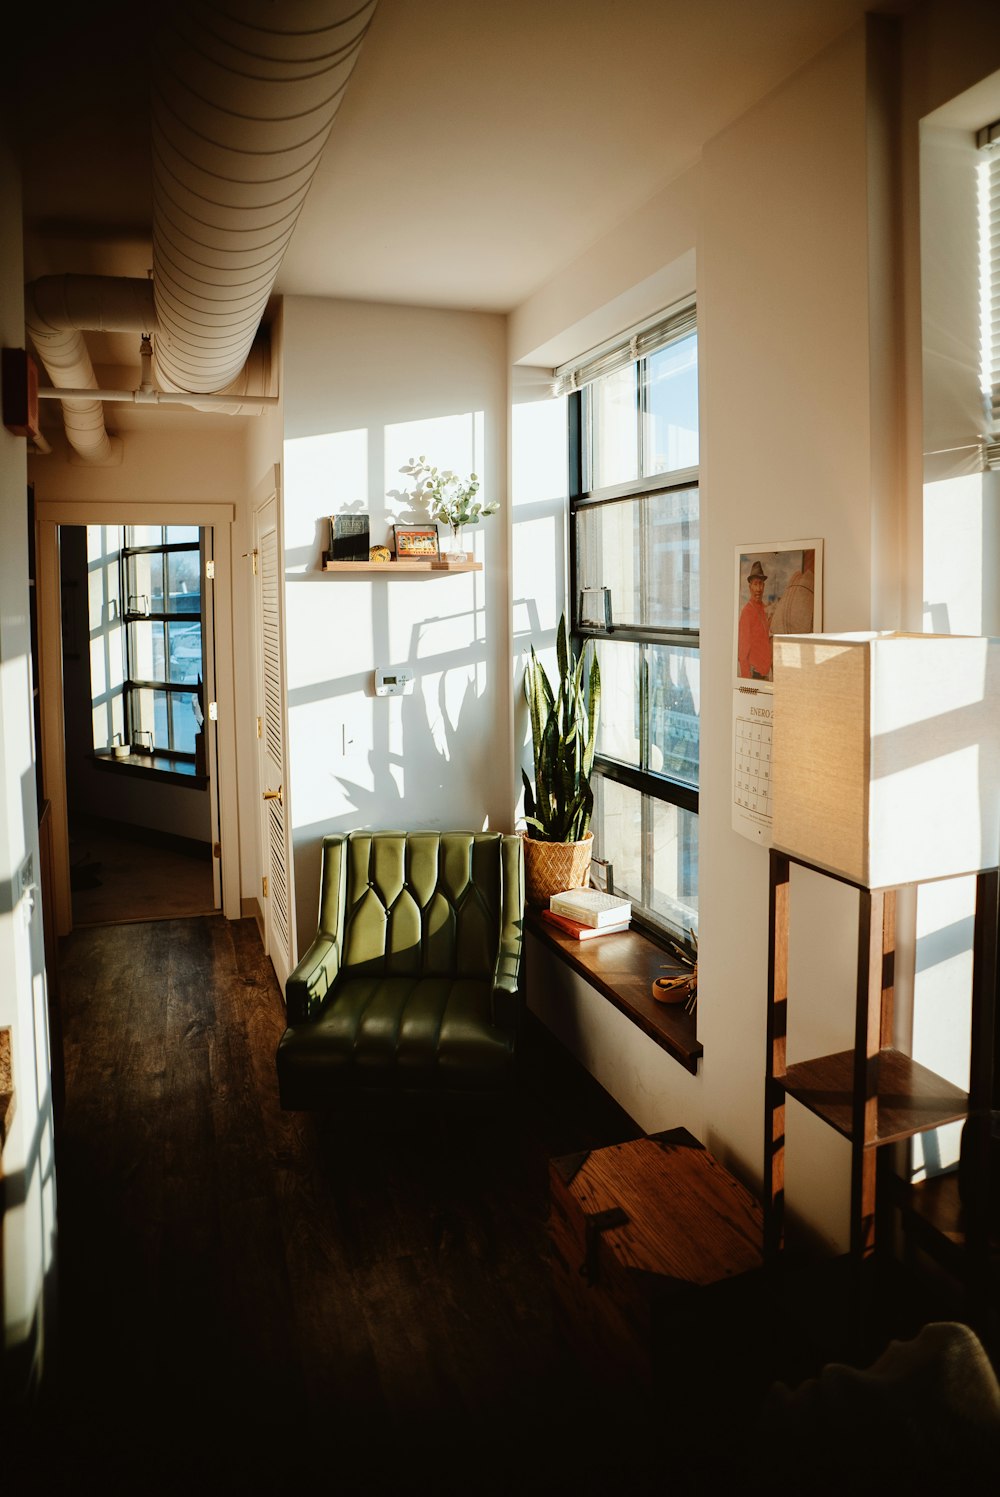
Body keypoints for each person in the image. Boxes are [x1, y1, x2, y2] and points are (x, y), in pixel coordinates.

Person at [738, 559, 772, 680]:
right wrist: (746, 680)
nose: (758, 589)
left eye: (761, 584)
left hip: (766, 674)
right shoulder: (747, 612)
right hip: (754, 676)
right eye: (755, 584)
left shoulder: (765, 609)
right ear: (750, 587)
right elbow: (742, 652)